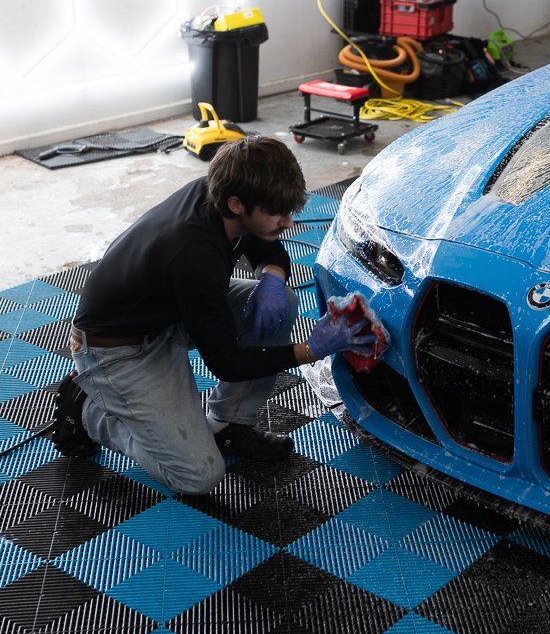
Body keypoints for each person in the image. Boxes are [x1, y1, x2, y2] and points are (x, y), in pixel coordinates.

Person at [53, 135, 376, 494]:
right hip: (117, 350)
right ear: (237, 204)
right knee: (198, 477)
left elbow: (266, 246)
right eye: (277, 212)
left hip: (169, 311)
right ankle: (88, 412)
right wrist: (311, 350)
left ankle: (228, 426)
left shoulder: (220, 195)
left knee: (281, 300)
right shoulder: (193, 253)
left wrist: (272, 277)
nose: (288, 222)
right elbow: (227, 363)